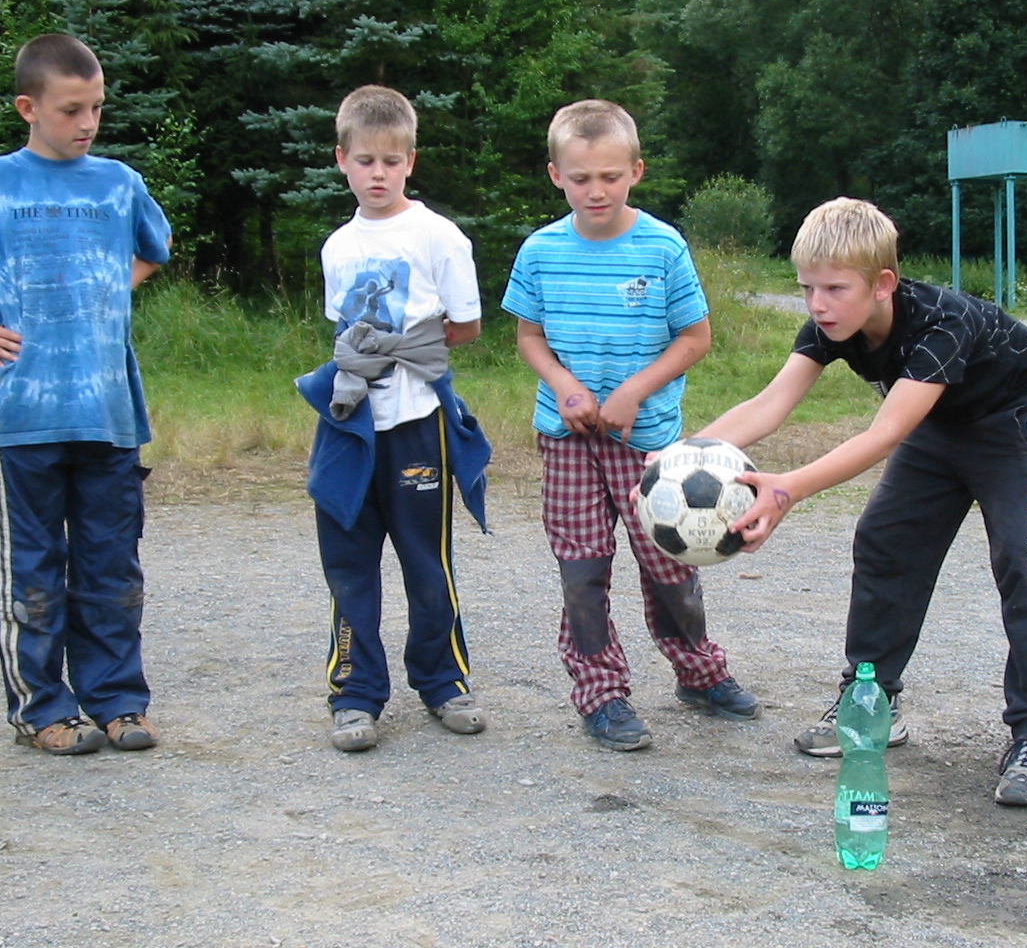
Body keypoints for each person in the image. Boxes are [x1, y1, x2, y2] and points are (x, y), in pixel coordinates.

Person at [698, 198, 1027, 805]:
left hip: (1010, 427)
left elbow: (884, 434)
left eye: (835, 289)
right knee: (884, 541)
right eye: (807, 288)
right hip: (937, 426)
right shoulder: (828, 328)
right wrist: (683, 456)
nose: (818, 305)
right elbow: (768, 406)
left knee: (1018, 562)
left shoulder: (941, 323)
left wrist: (789, 487)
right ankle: (872, 702)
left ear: (883, 284)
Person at [0, 33, 171, 756]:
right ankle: (41, 708)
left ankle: (117, 701)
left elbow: (155, 248)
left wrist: (111, 285)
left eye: (97, 108)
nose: (88, 123)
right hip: (27, 416)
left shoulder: (119, 183)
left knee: (112, 567)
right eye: (70, 110)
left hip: (110, 416)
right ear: (28, 108)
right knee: (32, 574)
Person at [503, 98, 757, 752]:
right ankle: (601, 694)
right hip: (567, 442)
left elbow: (695, 338)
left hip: (646, 446)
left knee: (670, 563)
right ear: (556, 175)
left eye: (610, 176)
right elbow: (529, 337)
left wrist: (634, 391)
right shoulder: (540, 251)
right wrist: (564, 386)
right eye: (581, 177)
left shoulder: (663, 247)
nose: (597, 190)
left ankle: (700, 673)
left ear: (636, 172)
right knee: (582, 570)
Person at [295, 85, 490, 753]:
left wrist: (406, 348)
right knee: (349, 563)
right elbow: (344, 334)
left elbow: (465, 326)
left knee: (426, 562)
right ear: (341, 160)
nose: (377, 174)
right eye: (364, 161)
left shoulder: (438, 236)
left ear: (410, 161)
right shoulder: (338, 246)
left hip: (417, 422)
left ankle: (443, 681)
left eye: (391, 161)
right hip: (350, 424)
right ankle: (355, 693)